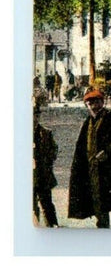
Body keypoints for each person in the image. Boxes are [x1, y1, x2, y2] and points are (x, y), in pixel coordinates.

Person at [67, 88, 111, 228]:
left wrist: (107, 152)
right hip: (95, 175)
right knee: (100, 213)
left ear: (102, 102)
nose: (94, 106)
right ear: (86, 105)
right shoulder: (87, 123)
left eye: (96, 102)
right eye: (90, 103)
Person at [32, 92, 59, 227]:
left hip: (42, 175)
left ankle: (52, 228)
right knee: (30, 207)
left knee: (47, 205)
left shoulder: (46, 133)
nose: (34, 119)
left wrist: (48, 161)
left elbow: (54, 149)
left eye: (36, 116)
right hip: (27, 178)